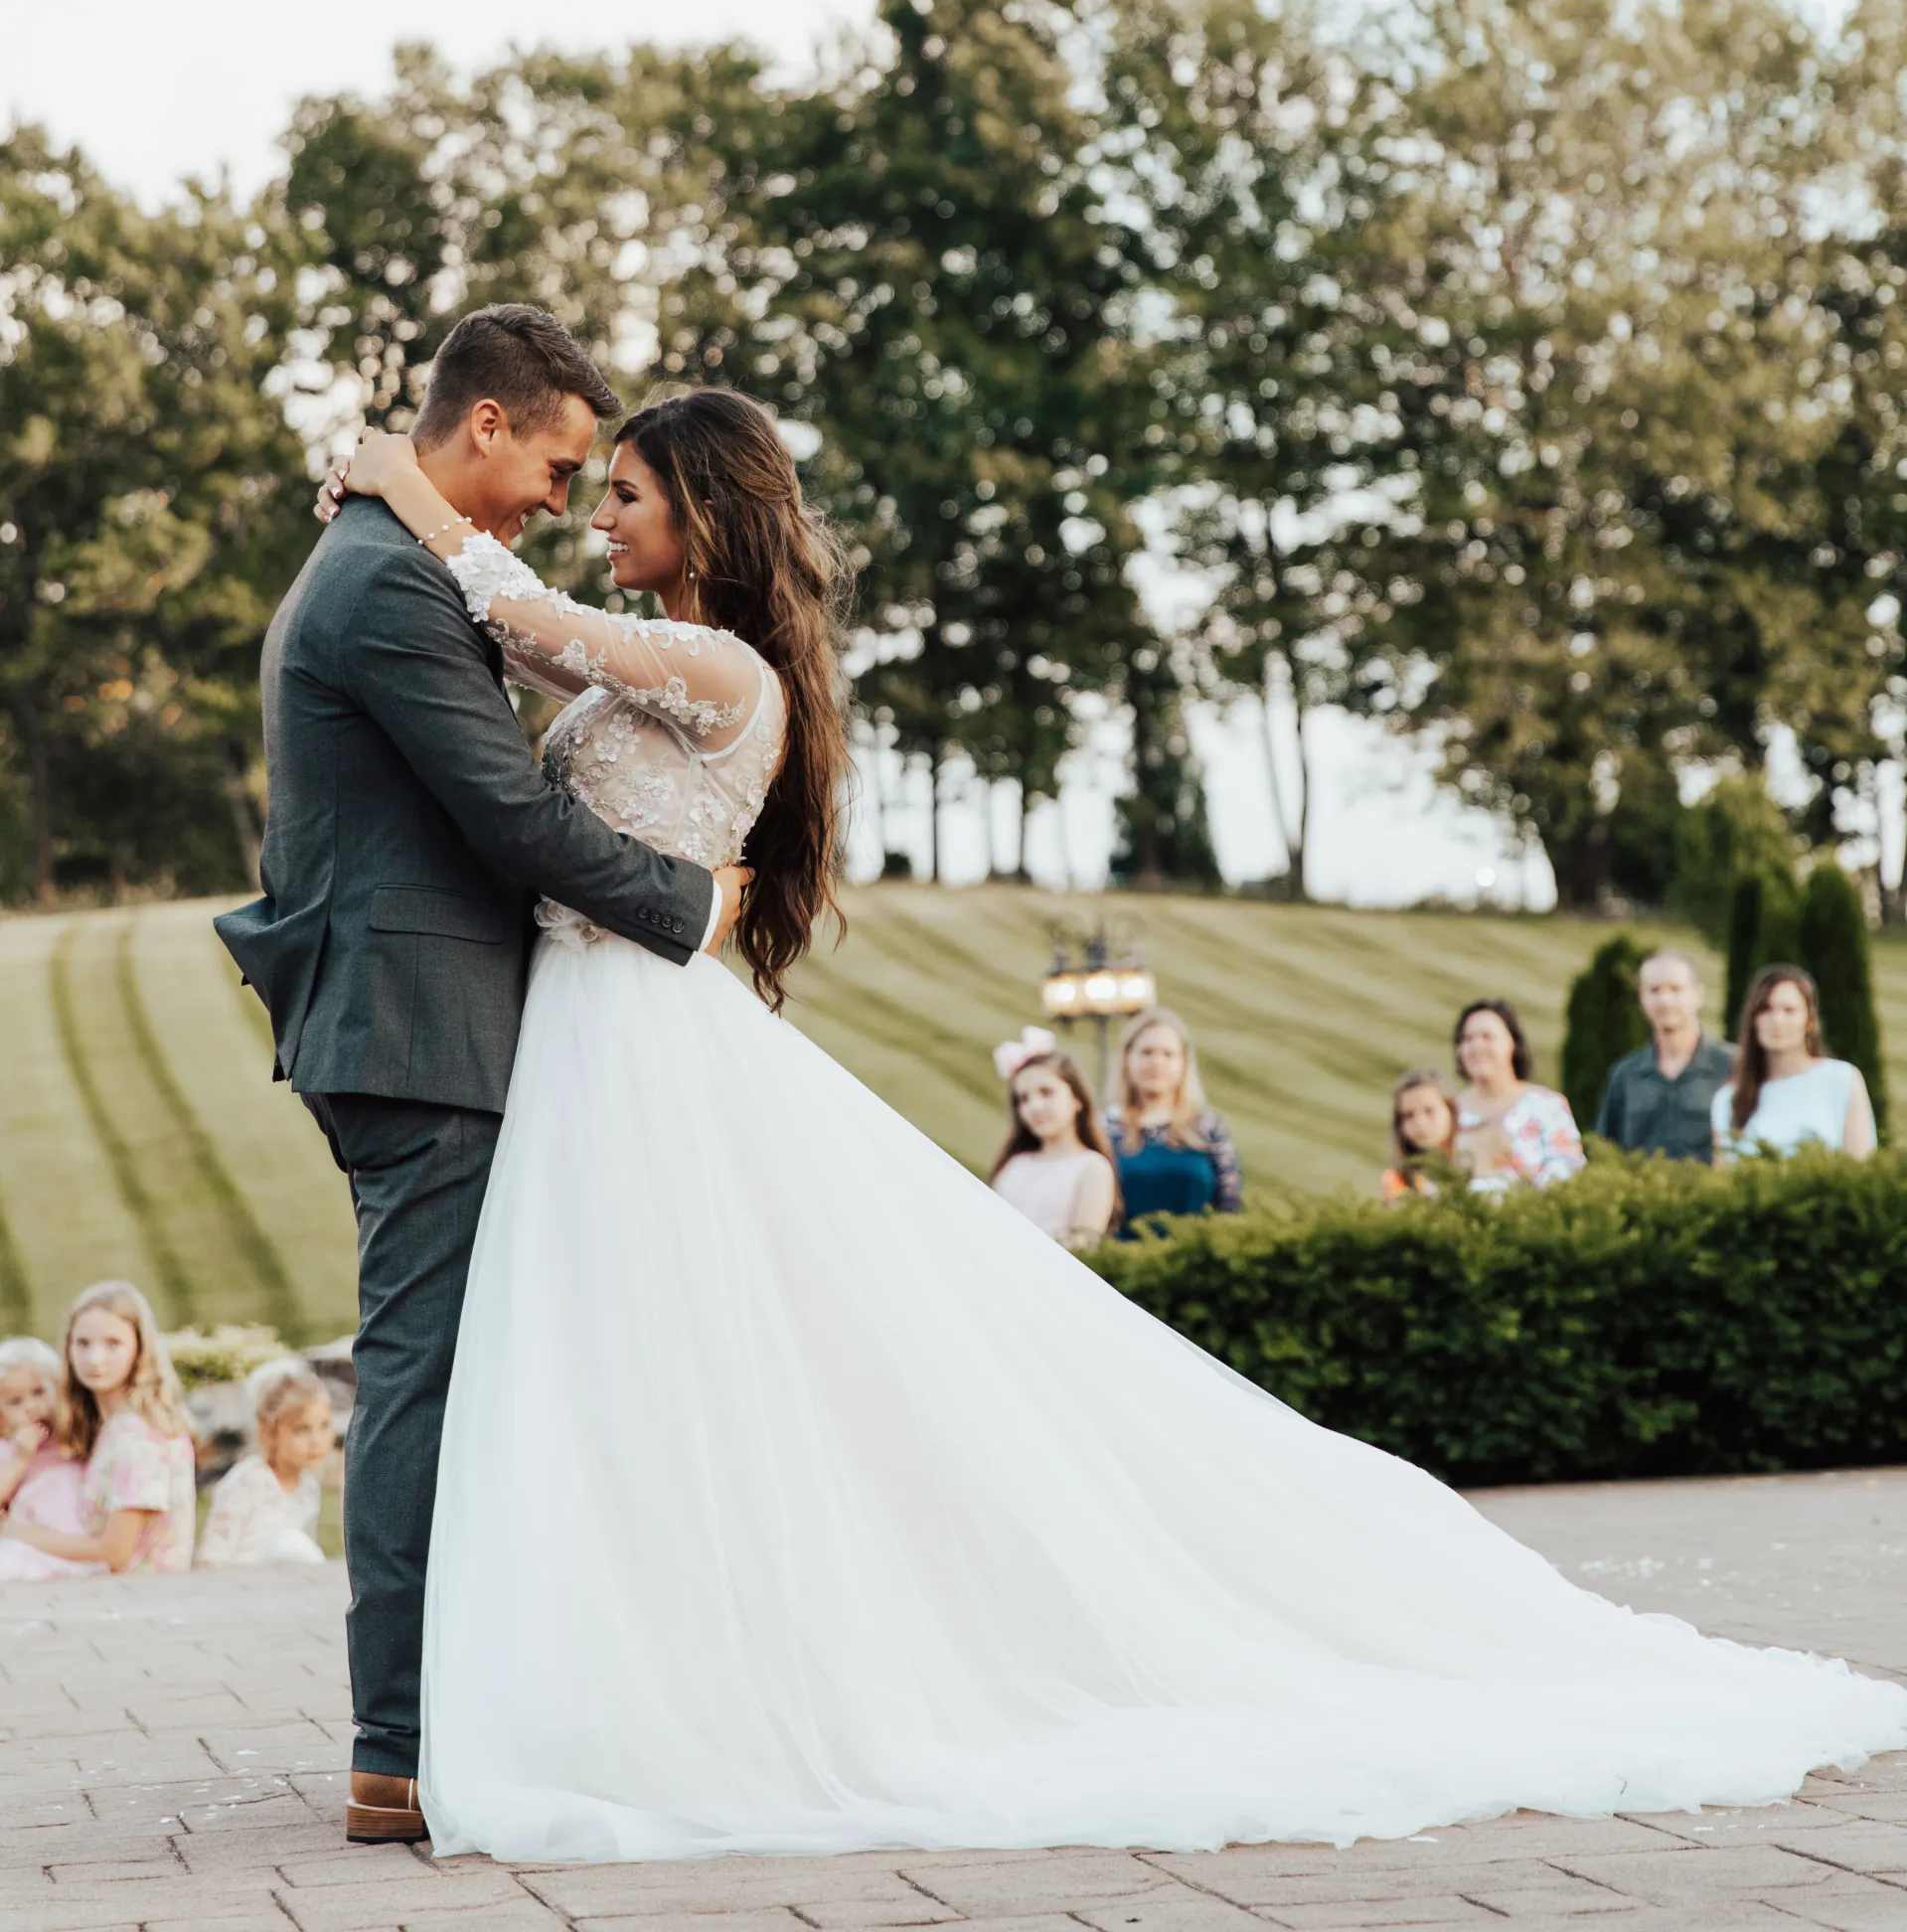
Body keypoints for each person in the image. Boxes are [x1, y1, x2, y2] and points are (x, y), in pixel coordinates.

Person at [323, 386, 1905, 1866]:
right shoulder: (653, 658)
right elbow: (531, 660)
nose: (598, 516)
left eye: (626, 495)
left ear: (707, 519)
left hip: (632, 1035)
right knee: (606, 1362)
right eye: (595, 491)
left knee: (659, 1355)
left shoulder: (721, 671)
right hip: (588, 1026)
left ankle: (678, 1694)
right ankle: (609, 1676)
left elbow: (516, 616)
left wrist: (398, 477)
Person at [217, 306, 749, 1845]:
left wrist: (394, 480)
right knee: (423, 1376)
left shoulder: (389, 553)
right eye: (561, 469)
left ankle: (462, 1712)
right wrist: (690, 907)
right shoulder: (387, 582)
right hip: (418, 1026)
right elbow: (511, 815)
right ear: (490, 423)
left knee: (464, 1369)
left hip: (417, 1017)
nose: (565, 505)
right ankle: (396, 1747)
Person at [0, 1284, 193, 1576]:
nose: (94, 1359)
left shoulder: (138, 1435)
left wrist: (17, 1531)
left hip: (141, 1594)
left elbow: (115, 1555)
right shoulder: (106, 1428)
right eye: (83, 1343)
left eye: (113, 1343)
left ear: (139, 1349)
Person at [1712, 964, 1878, 1163]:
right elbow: (1723, 1174)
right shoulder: (1728, 1099)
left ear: (1809, 1020)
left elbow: (1861, 1167)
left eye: (1789, 1010)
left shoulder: (1841, 1079)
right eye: (1766, 1009)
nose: (1777, 1020)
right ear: (1753, 1020)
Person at [1104, 1011, 1243, 1231]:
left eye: (1168, 1054)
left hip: (1194, 1249)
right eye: (1147, 1052)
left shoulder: (1207, 1126)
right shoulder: (1107, 1128)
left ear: (1184, 1062)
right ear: (1127, 1058)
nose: (1156, 1062)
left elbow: (1230, 1207)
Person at [1595, 950, 1734, 1161]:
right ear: (1642, 997)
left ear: (1698, 994)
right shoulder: (1625, 1075)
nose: (1665, 1000)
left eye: (1675, 989)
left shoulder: (1732, 1065)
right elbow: (1604, 1151)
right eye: (1654, 990)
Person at [990, 1031, 1120, 1247]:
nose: (1034, 1107)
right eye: (1023, 1099)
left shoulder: (1092, 1167)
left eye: (1046, 1092)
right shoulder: (1013, 1166)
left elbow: (1085, 1244)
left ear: (1076, 1098)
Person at [198, 1361, 334, 1568]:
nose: (316, 1440)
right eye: (302, 1430)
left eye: (324, 1426)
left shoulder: (309, 1488)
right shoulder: (248, 1482)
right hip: (240, 1584)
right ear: (268, 1432)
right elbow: (213, 1556)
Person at [1453, 998, 1585, 1193]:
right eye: (1467, 1039)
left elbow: (1569, 1175)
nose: (1476, 1046)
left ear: (1513, 1043)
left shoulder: (1546, 1105)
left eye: (1487, 1037)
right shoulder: (1448, 1112)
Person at [0, 1337, 94, 1582]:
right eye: (15, 1402)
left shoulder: (70, 1438)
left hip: (75, 1538)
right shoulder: (9, 1449)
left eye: (38, 1392)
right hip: (29, 1540)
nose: (31, 1406)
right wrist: (21, 1460)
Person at [1380, 1071, 1465, 1200]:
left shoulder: (1478, 1161)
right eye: (1409, 1115)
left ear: (1451, 1111)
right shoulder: (1398, 1179)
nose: (1420, 1122)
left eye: (1429, 1111)